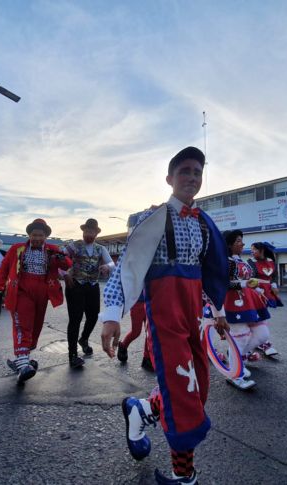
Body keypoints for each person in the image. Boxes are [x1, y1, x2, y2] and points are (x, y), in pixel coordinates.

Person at [100, 146, 229, 484]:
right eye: (185, 170)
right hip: (165, 314)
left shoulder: (203, 223)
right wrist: (112, 315)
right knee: (184, 396)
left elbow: (213, 270)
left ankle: (141, 410)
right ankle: (183, 476)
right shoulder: (153, 218)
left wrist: (218, 311)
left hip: (193, 317)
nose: (192, 177)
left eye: (198, 172)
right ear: (169, 178)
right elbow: (126, 268)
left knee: (197, 391)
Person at [0, 220, 71, 383]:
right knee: (23, 325)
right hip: (22, 291)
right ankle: (23, 363)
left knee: (35, 327)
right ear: (29, 235)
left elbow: (67, 264)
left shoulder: (52, 250)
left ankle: (22, 358)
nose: (37, 238)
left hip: (43, 291)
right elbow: (4, 269)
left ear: (46, 236)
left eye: (40, 235)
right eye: (34, 235)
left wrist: (61, 257)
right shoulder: (16, 249)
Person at [220, 230, 272, 390]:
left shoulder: (239, 260)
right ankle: (235, 374)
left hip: (249, 302)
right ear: (228, 244)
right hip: (232, 303)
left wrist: (258, 290)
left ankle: (237, 358)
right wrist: (244, 284)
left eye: (241, 241)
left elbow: (247, 281)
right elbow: (222, 284)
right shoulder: (224, 262)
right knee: (240, 337)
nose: (242, 243)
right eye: (238, 241)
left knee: (263, 334)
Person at [61, 218, 115, 367]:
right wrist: (64, 273)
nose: (88, 233)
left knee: (93, 316)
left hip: (92, 285)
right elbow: (59, 257)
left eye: (91, 231)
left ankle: (83, 339)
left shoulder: (100, 248)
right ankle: (73, 355)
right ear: (83, 231)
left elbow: (111, 262)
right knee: (75, 319)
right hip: (75, 285)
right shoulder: (75, 245)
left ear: (96, 233)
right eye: (86, 231)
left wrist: (107, 267)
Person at [246, 241, 282, 358]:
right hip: (254, 291)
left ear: (262, 250)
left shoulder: (271, 261)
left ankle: (261, 340)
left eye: (254, 249)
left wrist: (274, 285)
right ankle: (256, 341)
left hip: (267, 291)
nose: (252, 251)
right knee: (254, 315)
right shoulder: (250, 262)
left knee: (264, 314)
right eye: (251, 249)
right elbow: (248, 278)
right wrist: (256, 289)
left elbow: (273, 276)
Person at [117, 292, 154, 372]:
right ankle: (123, 345)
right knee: (136, 332)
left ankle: (147, 358)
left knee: (150, 332)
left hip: (151, 302)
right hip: (137, 303)